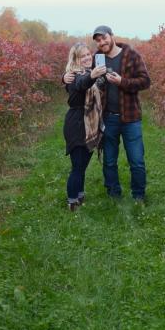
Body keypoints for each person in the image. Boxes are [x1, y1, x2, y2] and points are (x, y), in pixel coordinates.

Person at [63, 25, 151, 202]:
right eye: (98, 40)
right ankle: (113, 193)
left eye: (104, 38)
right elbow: (80, 73)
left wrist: (122, 81)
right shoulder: (97, 58)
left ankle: (139, 195)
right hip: (108, 117)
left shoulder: (131, 55)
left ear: (112, 36)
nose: (101, 42)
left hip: (130, 117)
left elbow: (145, 81)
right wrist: (64, 78)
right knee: (109, 161)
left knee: (136, 160)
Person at [62, 42, 106, 211]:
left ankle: (79, 196)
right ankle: (72, 202)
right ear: (76, 59)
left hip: (88, 124)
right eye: (83, 56)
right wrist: (92, 76)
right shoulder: (73, 76)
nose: (88, 57)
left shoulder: (88, 72)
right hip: (77, 125)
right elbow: (82, 84)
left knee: (82, 166)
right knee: (78, 167)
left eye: (89, 54)